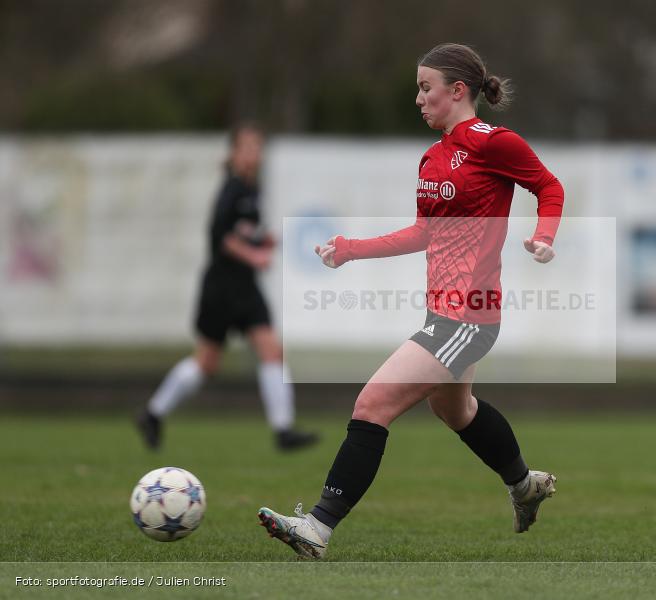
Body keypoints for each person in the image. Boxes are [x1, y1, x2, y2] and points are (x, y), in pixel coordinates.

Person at [257, 43, 563, 559]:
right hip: (442, 308)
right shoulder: (433, 157)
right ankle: (524, 485)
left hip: (470, 313)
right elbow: (424, 233)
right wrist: (352, 250)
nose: (418, 98)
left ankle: (319, 528)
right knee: (456, 409)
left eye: (426, 88)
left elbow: (548, 186)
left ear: (457, 91)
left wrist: (545, 236)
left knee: (372, 403)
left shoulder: (494, 142)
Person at [136, 123, 318, 452]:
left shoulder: (252, 189)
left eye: (257, 147)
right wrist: (253, 254)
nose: (253, 154)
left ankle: (283, 430)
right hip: (221, 288)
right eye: (246, 147)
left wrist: (264, 240)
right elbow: (220, 237)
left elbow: (243, 231)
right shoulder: (231, 188)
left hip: (245, 287)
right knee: (206, 363)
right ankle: (152, 413)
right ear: (233, 153)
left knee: (272, 351)